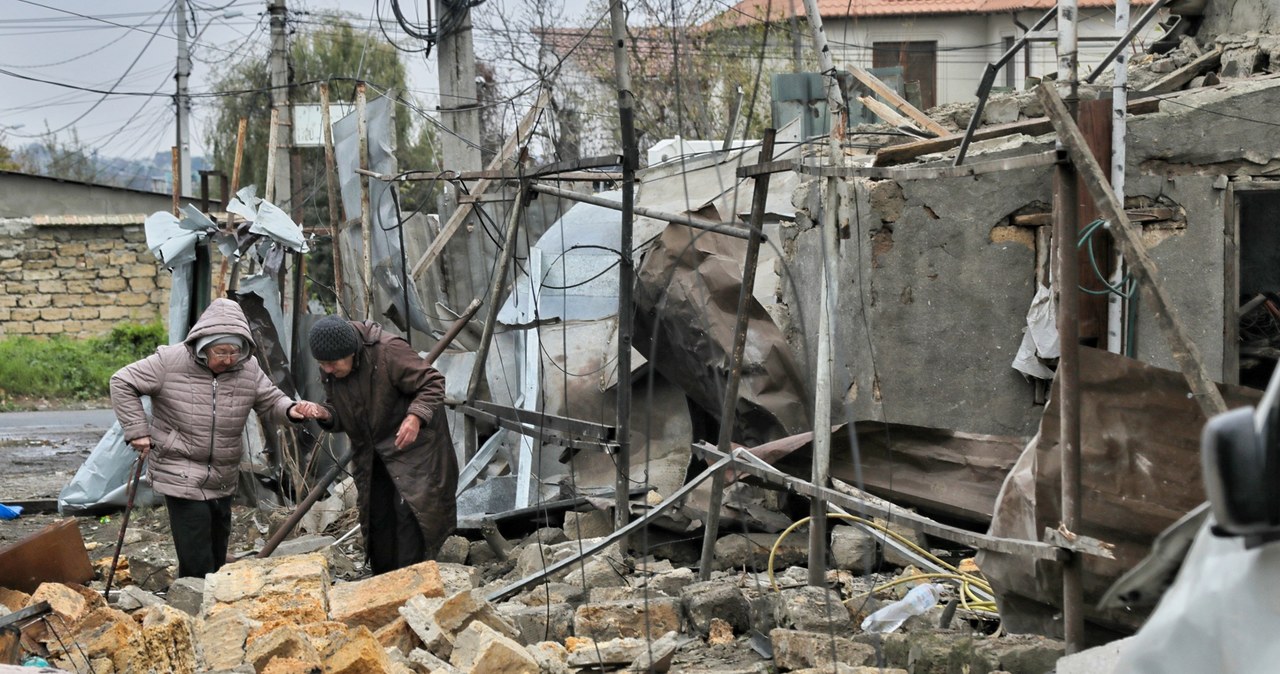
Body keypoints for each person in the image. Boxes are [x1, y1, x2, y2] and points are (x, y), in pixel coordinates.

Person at [110, 298, 320, 578]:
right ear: (203, 345)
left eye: (235, 351)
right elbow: (122, 381)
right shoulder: (169, 361)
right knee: (197, 558)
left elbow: (271, 401)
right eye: (221, 352)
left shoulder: (248, 368)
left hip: (222, 475)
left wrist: (293, 410)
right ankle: (193, 607)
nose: (229, 359)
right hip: (180, 471)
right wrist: (137, 431)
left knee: (217, 554)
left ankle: (211, 607)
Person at [305, 314, 457, 574]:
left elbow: (432, 382)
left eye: (331, 363)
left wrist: (415, 416)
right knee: (378, 519)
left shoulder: (388, 351)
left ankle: (413, 588)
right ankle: (383, 586)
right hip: (373, 453)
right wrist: (325, 414)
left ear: (351, 352)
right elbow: (342, 414)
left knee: (411, 518)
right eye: (322, 364)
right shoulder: (331, 368)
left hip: (414, 449)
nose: (327, 369)